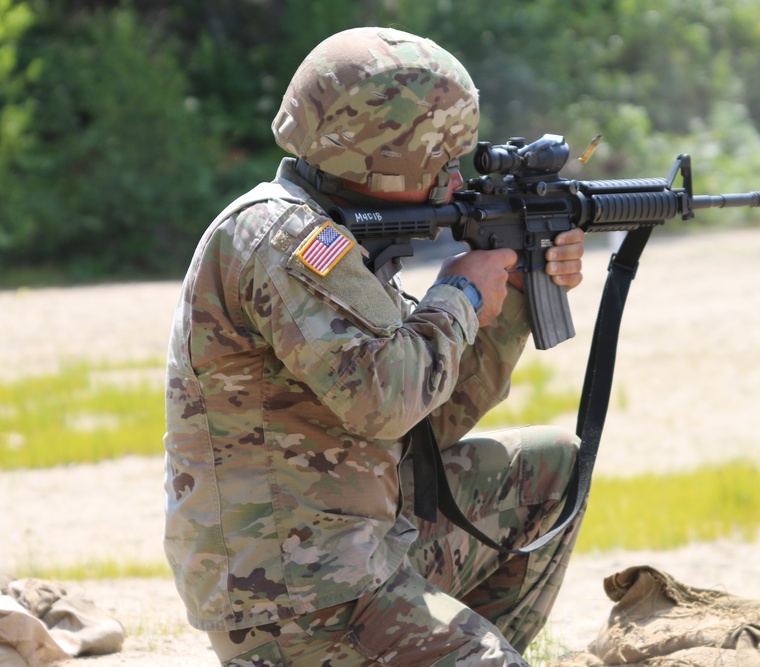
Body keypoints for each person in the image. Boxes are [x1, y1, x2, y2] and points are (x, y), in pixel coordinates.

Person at [164, 26, 587, 666]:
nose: (453, 178)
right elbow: (385, 402)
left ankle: (457, 645)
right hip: (294, 596)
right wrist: (460, 296)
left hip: (363, 550)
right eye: (440, 161)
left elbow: (429, 421)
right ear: (382, 155)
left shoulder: (335, 239)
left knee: (550, 467)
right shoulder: (286, 241)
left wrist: (518, 290)